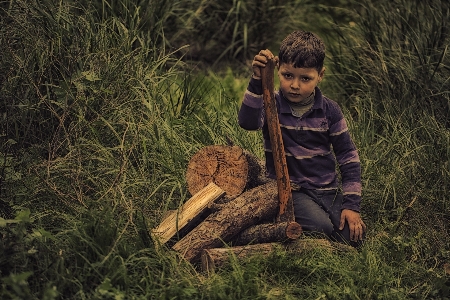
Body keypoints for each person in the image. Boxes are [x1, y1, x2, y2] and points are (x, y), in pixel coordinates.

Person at [238, 30, 366, 245]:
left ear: (320, 75)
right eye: (288, 76)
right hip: (291, 190)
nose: (295, 85)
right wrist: (257, 81)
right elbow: (247, 123)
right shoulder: (273, 104)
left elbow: (348, 156)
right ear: (278, 69)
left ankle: (322, 223)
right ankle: (280, 221)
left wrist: (351, 205)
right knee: (321, 228)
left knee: (352, 237)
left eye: (305, 78)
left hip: (327, 190)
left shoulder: (329, 110)